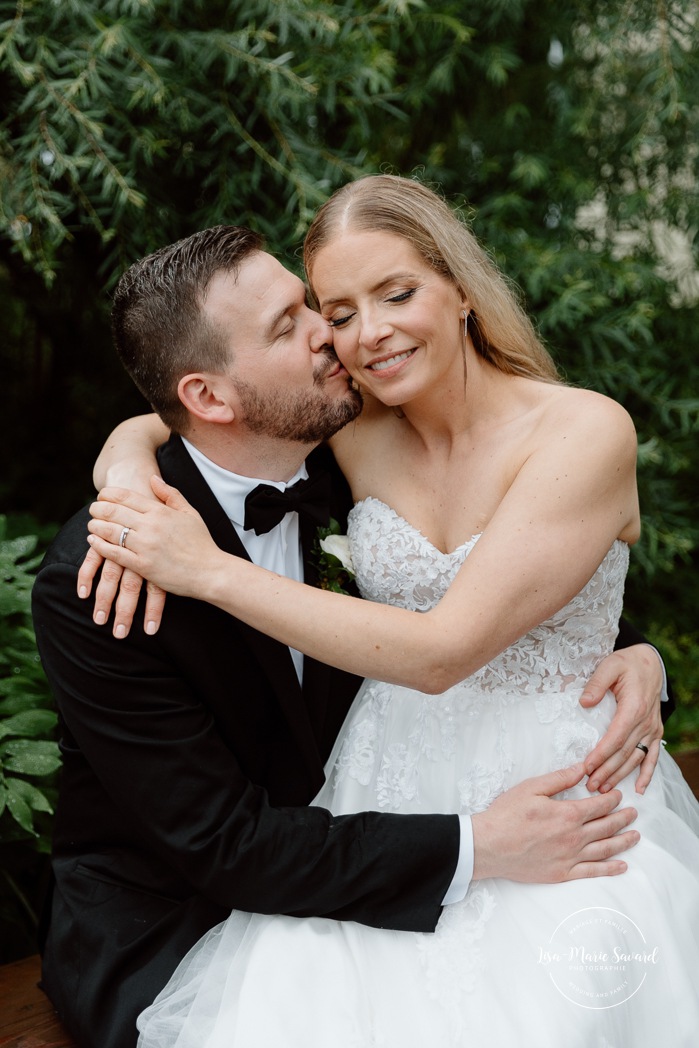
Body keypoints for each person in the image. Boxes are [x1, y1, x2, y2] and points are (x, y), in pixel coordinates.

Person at [81, 176, 699, 1047]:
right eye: (335, 312)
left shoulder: (584, 431)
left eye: (397, 293)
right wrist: (124, 459)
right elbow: (200, 420)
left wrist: (208, 571)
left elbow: (453, 642)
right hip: (377, 791)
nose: (364, 335)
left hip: (563, 790)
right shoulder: (351, 433)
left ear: (458, 288)